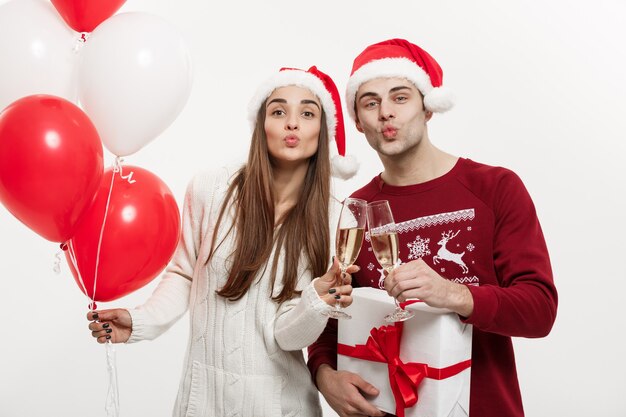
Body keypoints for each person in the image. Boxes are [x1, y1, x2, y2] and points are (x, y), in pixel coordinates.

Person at [87, 65, 360, 417]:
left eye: (307, 113)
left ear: (322, 132)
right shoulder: (210, 190)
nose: (292, 123)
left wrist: (316, 301)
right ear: (261, 125)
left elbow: (288, 338)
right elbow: (184, 274)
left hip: (282, 407)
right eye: (278, 111)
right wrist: (142, 321)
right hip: (203, 401)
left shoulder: (337, 220)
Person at [307, 39, 558, 417]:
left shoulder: (496, 188)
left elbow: (540, 310)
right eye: (371, 102)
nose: (385, 113)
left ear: (427, 108)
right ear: (358, 121)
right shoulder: (354, 211)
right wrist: (325, 376)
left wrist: (451, 294)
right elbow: (333, 314)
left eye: (400, 97)